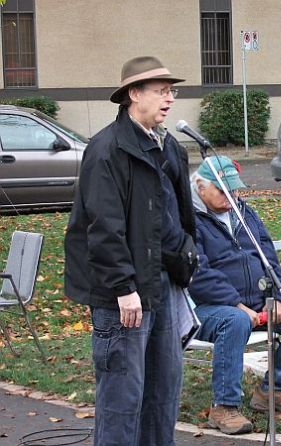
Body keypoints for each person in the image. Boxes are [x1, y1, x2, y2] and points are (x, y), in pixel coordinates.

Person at [64, 56, 197, 446]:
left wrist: (186, 258)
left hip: (162, 285)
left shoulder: (167, 146)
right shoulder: (107, 149)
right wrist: (123, 287)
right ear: (134, 94)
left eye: (171, 92)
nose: (169, 99)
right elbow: (103, 227)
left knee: (162, 392)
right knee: (122, 399)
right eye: (161, 91)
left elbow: (177, 215)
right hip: (123, 296)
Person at [188, 156, 281, 435]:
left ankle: (274, 390)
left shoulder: (244, 213)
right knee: (234, 321)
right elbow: (198, 273)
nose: (232, 196)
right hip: (207, 309)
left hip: (257, 303)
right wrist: (237, 304)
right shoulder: (187, 220)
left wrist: (277, 298)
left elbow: (268, 255)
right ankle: (224, 407)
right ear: (201, 188)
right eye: (223, 190)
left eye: (235, 189)